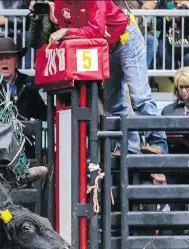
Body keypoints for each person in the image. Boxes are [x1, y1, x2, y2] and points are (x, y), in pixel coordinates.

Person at [48, 0, 168, 156]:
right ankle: (129, 147)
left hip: (126, 39)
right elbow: (66, 34)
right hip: (105, 48)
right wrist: (58, 24)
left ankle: (158, 144)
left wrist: (65, 31)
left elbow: (95, 29)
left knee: (140, 98)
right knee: (113, 103)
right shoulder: (59, 4)